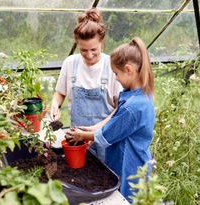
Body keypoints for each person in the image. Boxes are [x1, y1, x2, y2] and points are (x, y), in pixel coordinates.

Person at [65, 36, 155, 203]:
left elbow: (109, 133)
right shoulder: (137, 96)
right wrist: (91, 129)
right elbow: (114, 119)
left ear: (129, 70)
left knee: (125, 199)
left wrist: (82, 136)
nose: (116, 78)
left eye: (116, 73)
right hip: (132, 160)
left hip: (130, 166)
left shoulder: (134, 106)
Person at [50, 8, 123, 160]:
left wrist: (91, 133)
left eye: (94, 50)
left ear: (102, 43)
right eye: (84, 50)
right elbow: (60, 93)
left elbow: (118, 110)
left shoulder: (112, 66)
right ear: (77, 45)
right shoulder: (70, 63)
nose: (89, 55)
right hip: (77, 140)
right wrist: (55, 105)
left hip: (105, 140)